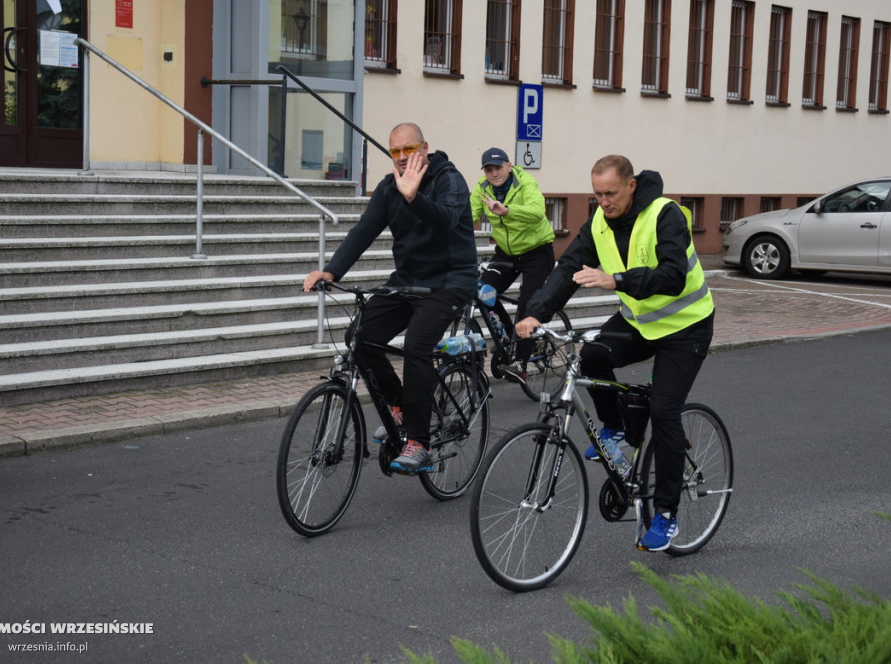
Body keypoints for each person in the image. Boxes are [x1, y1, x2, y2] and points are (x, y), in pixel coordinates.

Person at [514, 154, 715, 552]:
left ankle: (667, 515)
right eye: (596, 194)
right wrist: (535, 313)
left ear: (631, 186)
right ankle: (618, 426)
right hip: (640, 322)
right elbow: (567, 268)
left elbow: (674, 276)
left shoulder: (665, 215)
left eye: (610, 193)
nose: (603, 202)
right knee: (590, 355)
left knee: (664, 412)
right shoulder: (598, 225)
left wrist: (617, 280)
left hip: (686, 327)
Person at [303, 123, 477, 474]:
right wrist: (332, 271)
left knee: (416, 346)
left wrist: (415, 196)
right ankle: (398, 405)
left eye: (408, 149)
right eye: (395, 152)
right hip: (408, 281)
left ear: (425, 148)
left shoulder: (449, 180)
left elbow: (446, 220)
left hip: (450, 281)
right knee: (360, 338)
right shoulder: (388, 188)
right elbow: (365, 229)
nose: (401, 158)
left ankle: (419, 442)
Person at [470, 147, 555, 380]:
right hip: (507, 252)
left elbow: (538, 212)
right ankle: (510, 335)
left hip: (537, 251)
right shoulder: (483, 188)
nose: (494, 173)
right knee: (482, 292)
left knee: (528, 306)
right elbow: (469, 216)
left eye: (498, 167)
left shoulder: (525, 182)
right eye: (489, 169)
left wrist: (507, 211)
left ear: (508, 165)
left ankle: (522, 363)